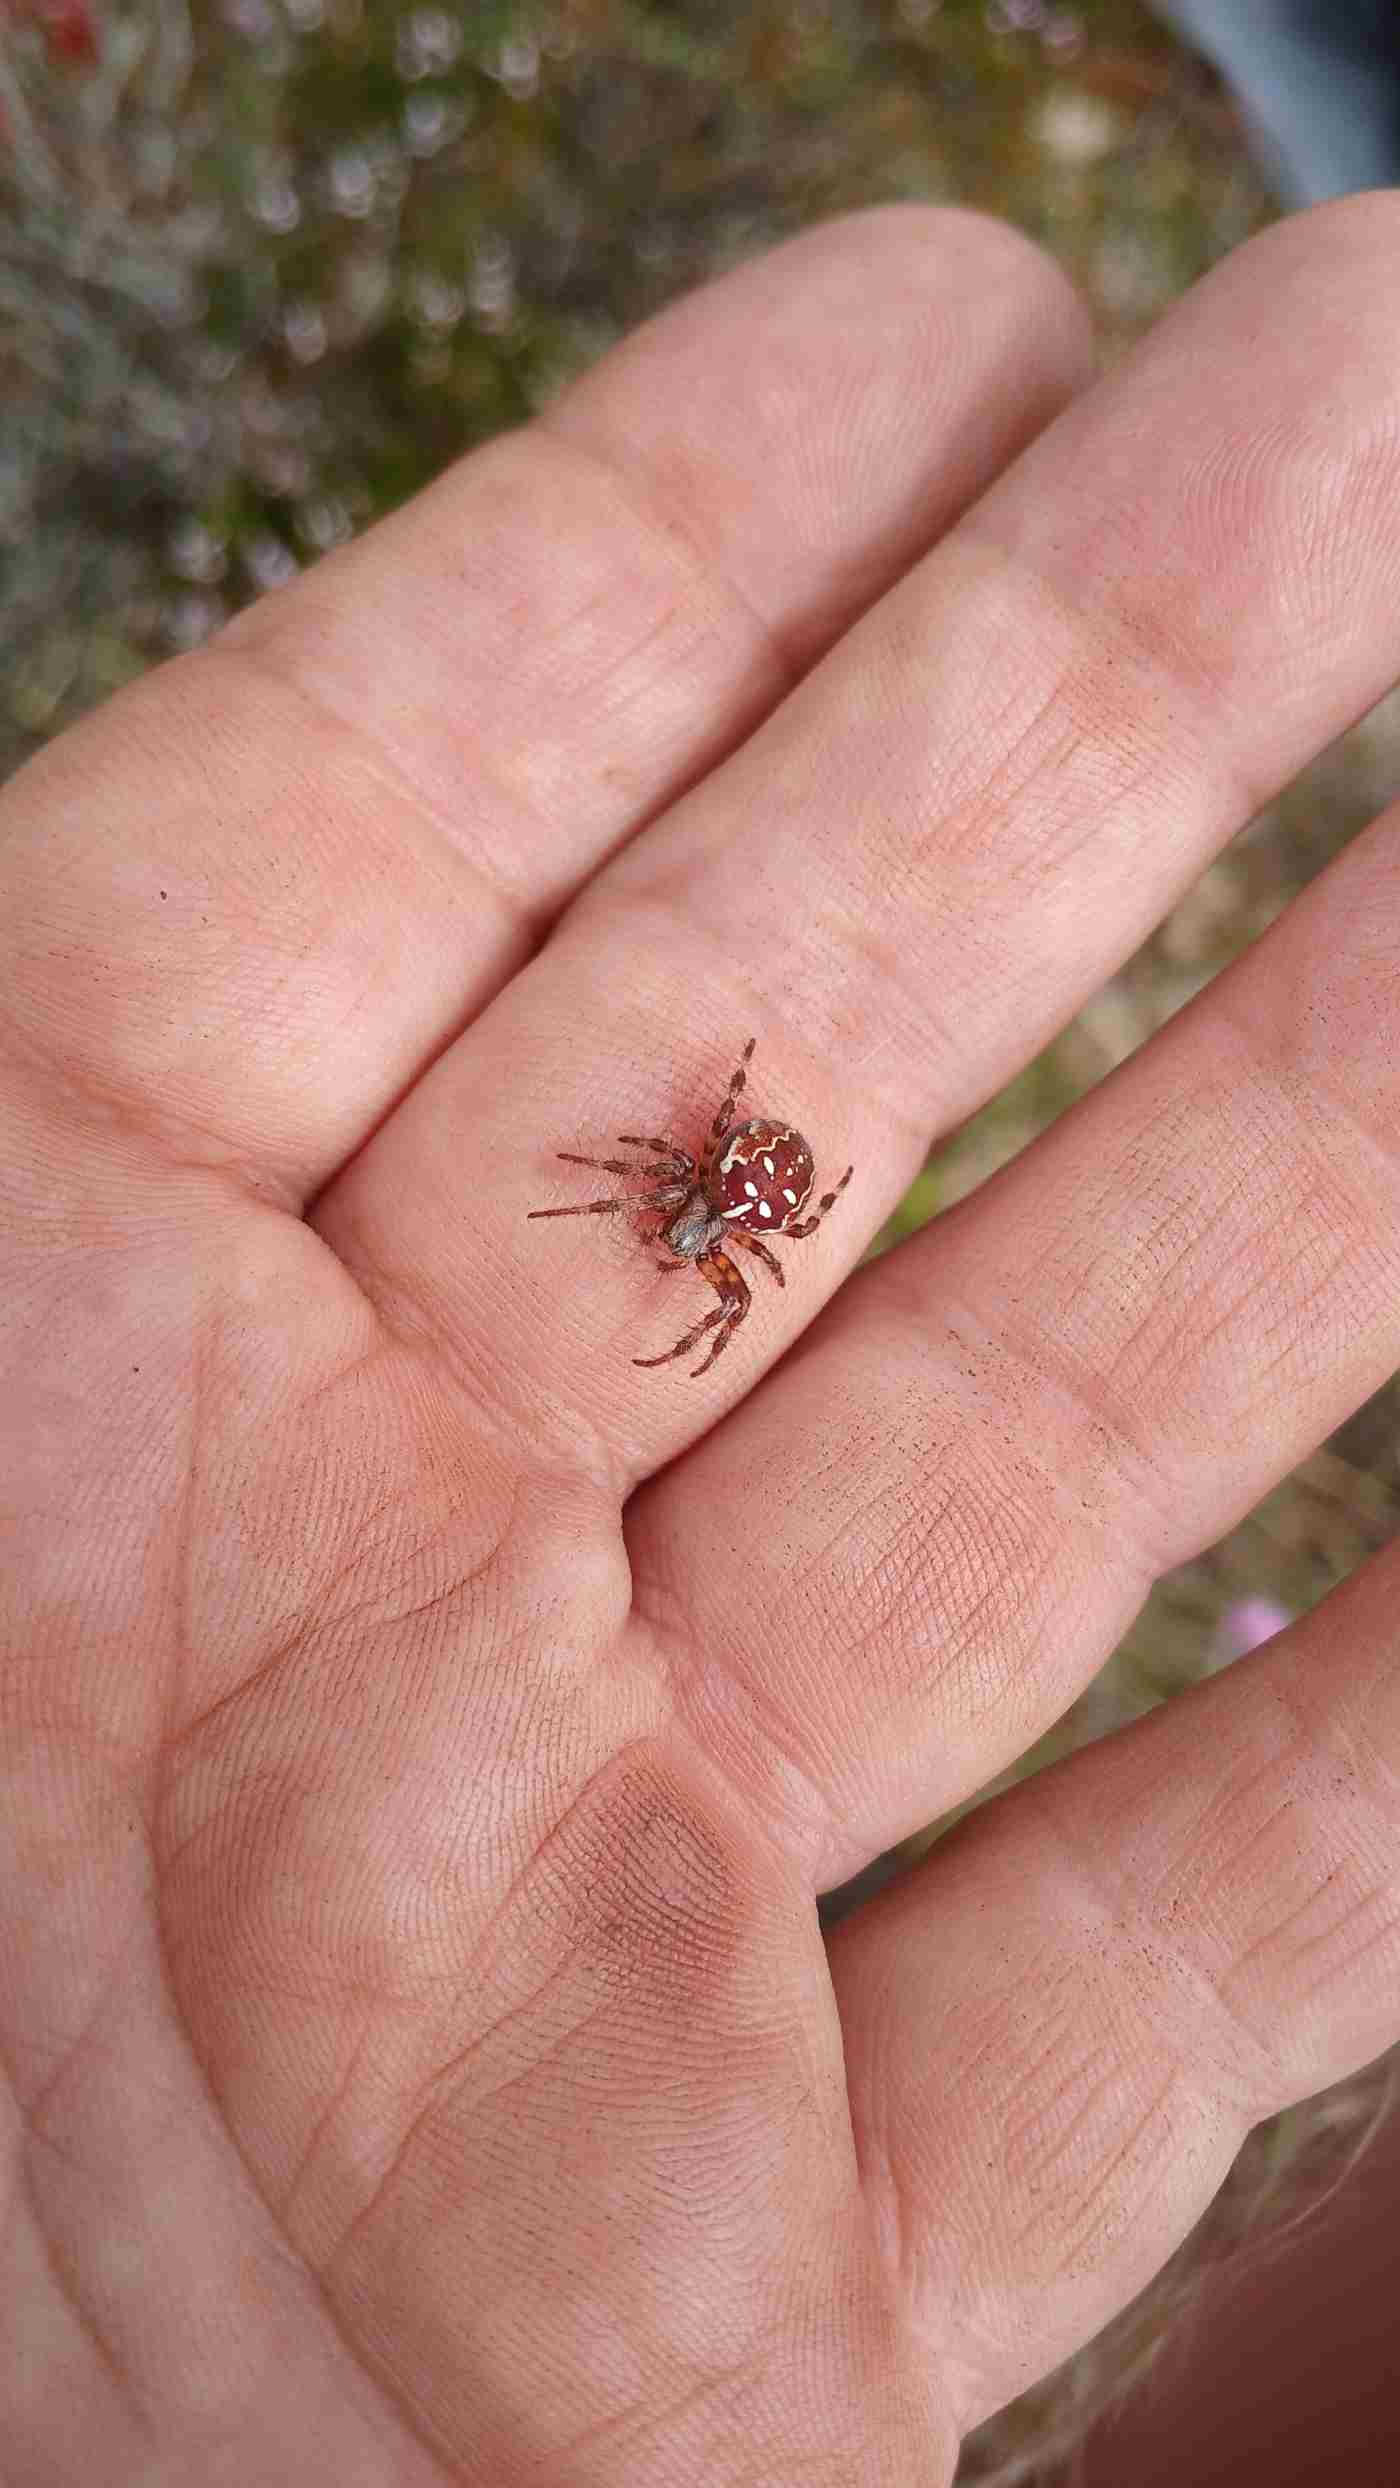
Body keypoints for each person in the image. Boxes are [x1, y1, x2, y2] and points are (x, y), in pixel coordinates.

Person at [4, 191, 1400, 2486]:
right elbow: (724, 1170)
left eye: (714, 1211)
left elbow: (740, 1178)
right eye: (707, 1205)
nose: (700, 1215)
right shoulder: (699, 1175)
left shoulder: (712, 1183)